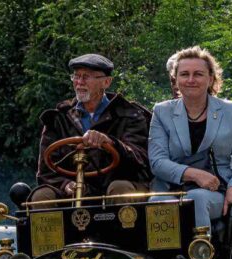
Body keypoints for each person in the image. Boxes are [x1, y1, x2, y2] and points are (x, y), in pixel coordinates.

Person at [149, 46, 232, 231]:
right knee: (157, 202)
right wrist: (194, 174)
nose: (190, 80)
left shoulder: (231, 111)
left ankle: (202, 257)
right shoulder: (161, 111)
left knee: (196, 199)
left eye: (198, 74)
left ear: (211, 78)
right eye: (184, 74)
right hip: (171, 188)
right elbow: (157, 162)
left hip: (216, 189)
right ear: (175, 80)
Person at [30, 54, 152, 205]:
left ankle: (125, 229)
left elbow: (141, 161)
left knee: (120, 189)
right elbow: (46, 171)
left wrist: (110, 143)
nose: (79, 83)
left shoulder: (130, 114)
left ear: (106, 82)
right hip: (71, 191)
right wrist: (65, 184)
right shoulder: (58, 119)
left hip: (115, 186)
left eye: (86, 77)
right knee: (42, 197)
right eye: (76, 76)